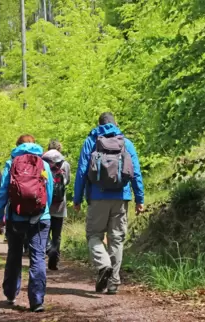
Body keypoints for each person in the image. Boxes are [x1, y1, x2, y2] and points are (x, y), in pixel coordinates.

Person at [73, 112, 144, 295]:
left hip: (97, 196)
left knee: (94, 236)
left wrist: (77, 198)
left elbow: (82, 171)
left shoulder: (91, 141)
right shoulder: (125, 143)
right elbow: (135, 172)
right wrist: (139, 199)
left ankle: (103, 265)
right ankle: (113, 283)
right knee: (116, 238)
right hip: (121, 197)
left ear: (99, 124)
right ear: (115, 123)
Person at [0, 134, 53, 312]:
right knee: (38, 257)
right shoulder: (44, 164)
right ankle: (37, 300)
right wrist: (44, 210)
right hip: (41, 217)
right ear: (34, 145)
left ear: (17, 146)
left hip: (16, 218)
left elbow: (3, 192)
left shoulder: (11, 163)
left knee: (14, 255)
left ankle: (11, 293)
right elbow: (49, 191)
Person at [43, 139, 71, 271]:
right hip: (60, 204)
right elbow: (67, 182)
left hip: (46, 203)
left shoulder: (43, 163)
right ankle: (54, 260)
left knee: (45, 232)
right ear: (59, 149)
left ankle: (48, 250)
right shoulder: (65, 164)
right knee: (57, 234)